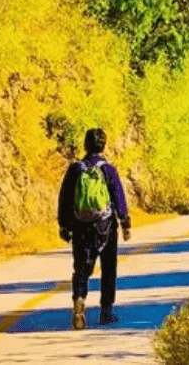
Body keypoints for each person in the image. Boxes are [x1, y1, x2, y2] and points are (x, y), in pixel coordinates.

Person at [57, 128, 131, 329]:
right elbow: (119, 199)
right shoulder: (108, 169)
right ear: (103, 146)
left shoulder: (75, 169)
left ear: (85, 145)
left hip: (80, 226)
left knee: (81, 267)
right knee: (108, 267)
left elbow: (64, 199)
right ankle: (106, 312)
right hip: (106, 226)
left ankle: (79, 301)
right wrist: (125, 224)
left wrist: (63, 225)